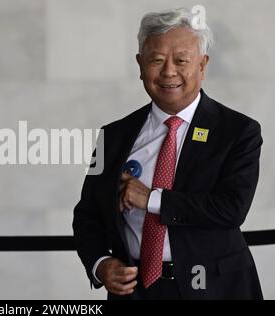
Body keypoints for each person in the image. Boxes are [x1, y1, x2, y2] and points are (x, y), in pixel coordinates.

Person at [73, 8, 263, 300]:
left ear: (202, 64)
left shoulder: (238, 132)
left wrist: (150, 199)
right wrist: (101, 264)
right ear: (140, 65)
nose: (168, 72)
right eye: (157, 60)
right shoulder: (112, 137)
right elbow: (87, 215)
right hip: (136, 292)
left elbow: (231, 209)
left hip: (216, 289)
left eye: (181, 60)